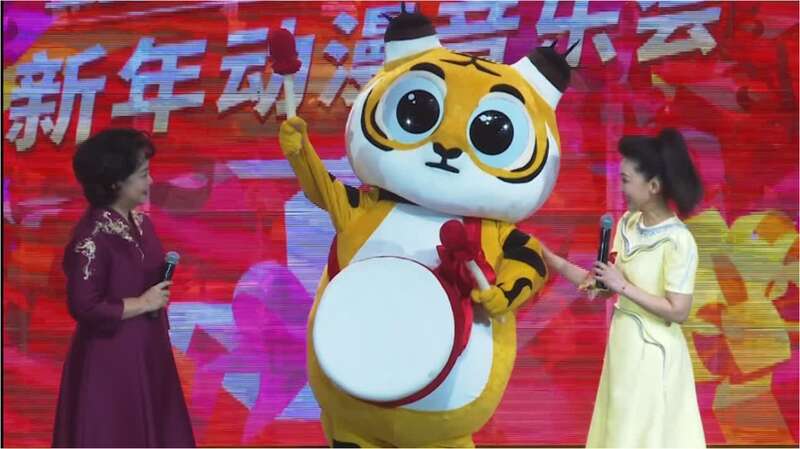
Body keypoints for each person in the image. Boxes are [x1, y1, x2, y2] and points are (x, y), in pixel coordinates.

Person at [542, 128, 706, 448]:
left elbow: (678, 310)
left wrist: (623, 286)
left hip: (653, 351)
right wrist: (554, 261)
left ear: (653, 186)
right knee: (617, 428)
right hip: (623, 344)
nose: (621, 188)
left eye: (626, 180)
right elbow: (604, 286)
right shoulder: (627, 225)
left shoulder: (678, 240)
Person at [52, 128, 195, 447]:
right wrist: (142, 303)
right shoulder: (91, 237)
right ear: (116, 182)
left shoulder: (142, 223)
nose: (151, 182)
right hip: (112, 359)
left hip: (150, 349)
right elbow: (84, 305)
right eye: (143, 175)